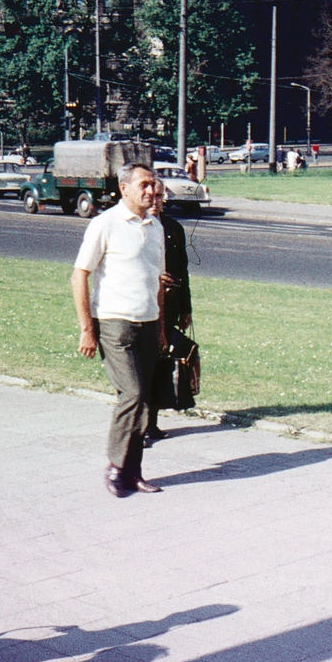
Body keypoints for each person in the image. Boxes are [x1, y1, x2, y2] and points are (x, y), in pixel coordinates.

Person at [71, 163, 165, 498]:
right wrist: (87, 329)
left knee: (145, 400)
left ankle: (133, 472)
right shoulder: (105, 223)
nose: (151, 190)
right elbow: (79, 275)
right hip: (115, 322)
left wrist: (161, 328)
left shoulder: (155, 226)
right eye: (143, 184)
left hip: (149, 322)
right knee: (133, 394)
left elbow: (157, 283)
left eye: (153, 184)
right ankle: (114, 465)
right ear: (124, 188)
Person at [146, 179, 192, 444]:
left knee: (163, 363)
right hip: (144, 308)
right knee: (145, 366)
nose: (155, 202)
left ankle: (152, 423)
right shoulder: (136, 228)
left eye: (159, 196)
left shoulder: (173, 229)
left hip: (169, 308)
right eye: (151, 196)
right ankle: (139, 425)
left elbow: (183, 271)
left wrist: (186, 309)